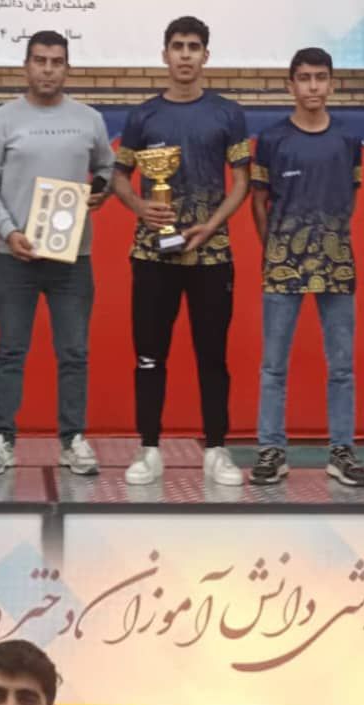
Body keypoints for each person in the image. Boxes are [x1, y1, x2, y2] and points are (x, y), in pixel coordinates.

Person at [0, 31, 114, 477]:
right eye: (40, 60)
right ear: (26, 66)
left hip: (73, 259)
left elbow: (107, 169)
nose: (48, 69)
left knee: (74, 352)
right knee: (10, 351)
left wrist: (100, 191)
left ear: (67, 68)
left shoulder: (89, 119)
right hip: (15, 257)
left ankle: (73, 440)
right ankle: (1, 440)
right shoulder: (2, 119)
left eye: (56, 61)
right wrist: (8, 231)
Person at [113, 16, 249, 487]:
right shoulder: (143, 116)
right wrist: (139, 206)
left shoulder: (228, 114)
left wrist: (212, 225)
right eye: (178, 46)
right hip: (153, 254)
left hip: (211, 256)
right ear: (165, 55)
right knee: (149, 355)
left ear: (206, 56)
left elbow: (242, 181)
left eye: (194, 47)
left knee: (213, 356)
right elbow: (118, 176)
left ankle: (216, 450)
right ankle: (149, 449)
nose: (185, 55)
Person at [250, 47, 364, 488]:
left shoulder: (348, 141)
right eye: (304, 77)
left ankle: (342, 451)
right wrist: (275, 248)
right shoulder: (271, 140)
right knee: (273, 367)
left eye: (320, 77)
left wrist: (329, 238)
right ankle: (271, 450)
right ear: (291, 85)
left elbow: (351, 198)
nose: (313, 86)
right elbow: (258, 201)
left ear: (332, 84)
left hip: (337, 265)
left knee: (342, 367)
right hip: (282, 263)